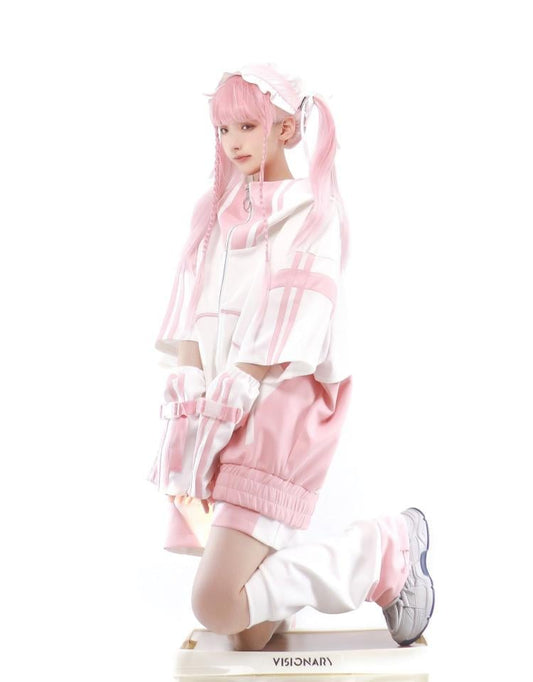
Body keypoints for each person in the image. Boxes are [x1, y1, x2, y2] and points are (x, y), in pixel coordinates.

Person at [146, 62, 435, 651]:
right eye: (224, 130)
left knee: (214, 603)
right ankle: (351, 555)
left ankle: (379, 552)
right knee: (248, 633)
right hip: (222, 411)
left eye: (247, 126)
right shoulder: (215, 214)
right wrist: (192, 379)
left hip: (278, 409)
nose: (234, 142)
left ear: (284, 128)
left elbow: (297, 315)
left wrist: (241, 383)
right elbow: (194, 308)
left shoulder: (310, 209)